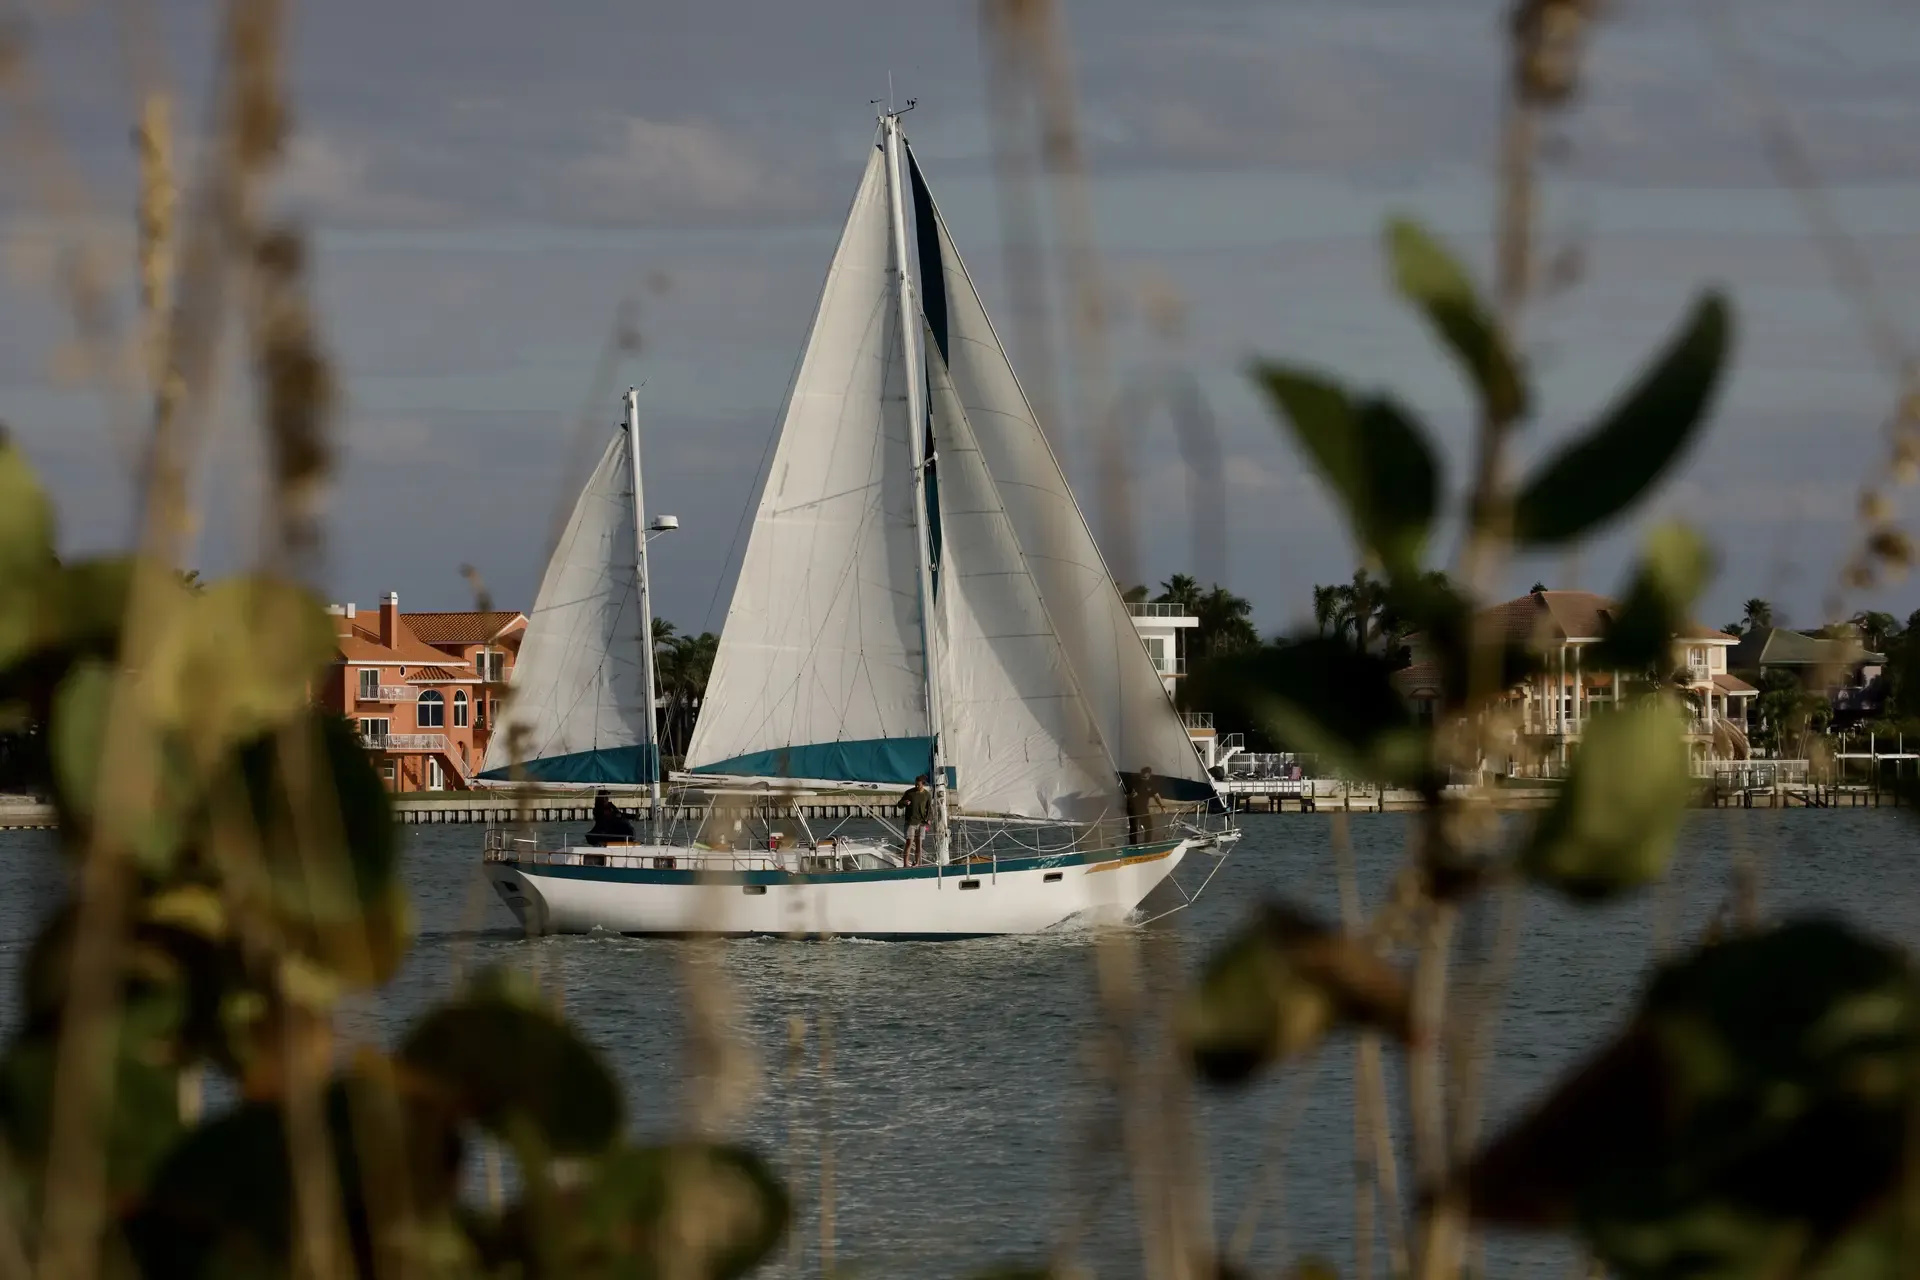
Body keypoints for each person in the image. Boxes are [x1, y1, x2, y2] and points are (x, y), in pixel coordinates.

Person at [896, 774, 933, 865]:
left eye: (918, 785)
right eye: (915, 784)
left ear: (923, 784)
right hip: (910, 822)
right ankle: (905, 864)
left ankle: (917, 863)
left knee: (919, 844)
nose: (916, 786)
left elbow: (929, 809)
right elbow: (899, 805)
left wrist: (929, 819)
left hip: (922, 823)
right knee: (909, 842)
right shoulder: (909, 793)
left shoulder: (927, 795)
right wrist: (904, 802)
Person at [1124, 766, 1157, 846]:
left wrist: (1162, 806)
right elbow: (1127, 795)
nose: (1144, 777)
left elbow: (1156, 795)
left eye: (1146, 776)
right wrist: (1132, 795)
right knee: (1134, 827)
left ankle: (1147, 844)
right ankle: (1133, 845)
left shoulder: (1150, 784)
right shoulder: (1135, 783)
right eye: (1143, 775)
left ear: (1149, 775)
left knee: (1149, 827)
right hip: (1133, 809)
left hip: (1143, 809)